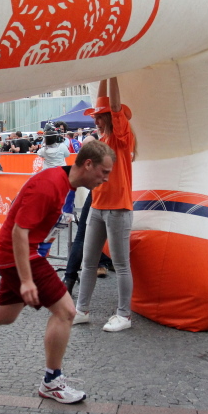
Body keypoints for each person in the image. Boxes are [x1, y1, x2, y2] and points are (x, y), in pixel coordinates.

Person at [0, 140, 115, 404]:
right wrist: (27, 280)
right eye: (104, 172)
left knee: (4, 314)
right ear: (88, 164)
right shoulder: (49, 185)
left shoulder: (66, 184)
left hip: (22, 255)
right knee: (65, 311)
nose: (106, 179)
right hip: (20, 255)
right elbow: (19, 232)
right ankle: (52, 381)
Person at [74, 77, 136, 332]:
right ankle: (81, 310)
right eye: (95, 116)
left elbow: (115, 106)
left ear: (111, 117)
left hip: (118, 208)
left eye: (100, 116)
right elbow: (105, 101)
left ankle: (124, 315)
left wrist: (113, 73)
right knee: (89, 262)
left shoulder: (121, 137)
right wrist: (104, 73)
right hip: (99, 207)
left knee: (121, 265)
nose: (95, 120)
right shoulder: (105, 139)